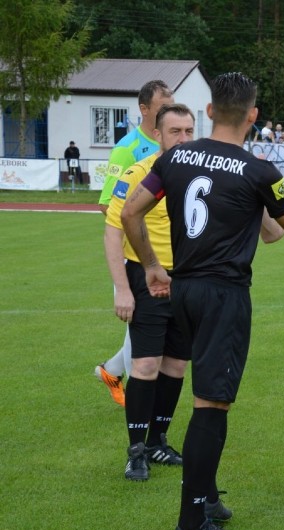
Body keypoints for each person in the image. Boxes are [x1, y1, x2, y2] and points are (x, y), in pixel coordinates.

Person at [121, 72, 284, 530]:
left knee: (201, 395)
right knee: (211, 405)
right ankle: (191, 524)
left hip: (181, 287)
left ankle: (205, 497)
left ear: (208, 112)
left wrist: (150, 267)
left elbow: (129, 212)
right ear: (253, 116)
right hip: (222, 296)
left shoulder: (175, 156)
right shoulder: (258, 171)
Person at [104, 103, 195, 483]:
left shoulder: (197, 174)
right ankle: (136, 451)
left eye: (190, 131)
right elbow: (113, 232)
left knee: (176, 365)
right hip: (146, 279)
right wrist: (123, 289)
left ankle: (158, 440)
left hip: (188, 281)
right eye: (176, 131)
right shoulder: (138, 174)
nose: (184, 139)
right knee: (144, 365)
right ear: (157, 134)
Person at [95, 80, 175, 407]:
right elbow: (107, 204)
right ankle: (138, 406)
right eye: (163, 102)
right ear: (145, 109)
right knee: (140, 337)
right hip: (135, 263)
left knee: (145, 335)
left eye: (172, 99)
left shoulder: (173, 145)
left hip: (168, 262)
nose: (170, 105)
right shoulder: (127, 148)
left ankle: (111, 371)